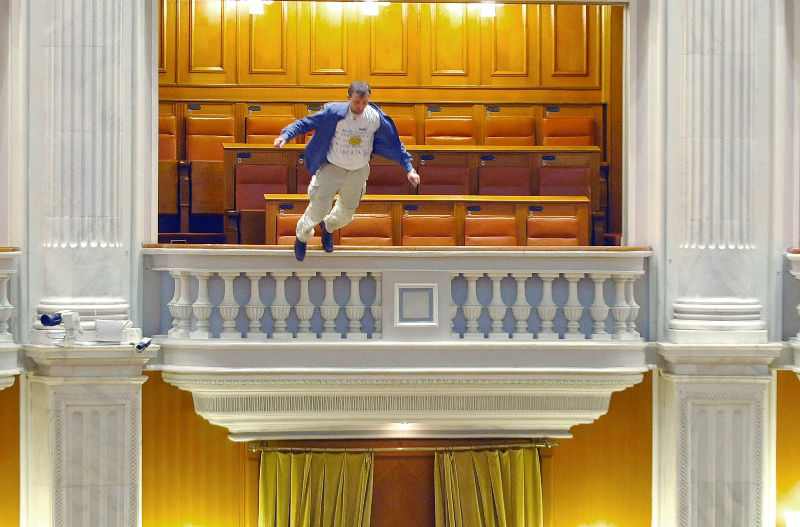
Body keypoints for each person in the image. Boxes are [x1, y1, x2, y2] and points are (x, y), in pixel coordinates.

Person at [274, 81, 420, 261]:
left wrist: (409, 169)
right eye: (357, 102)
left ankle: (327, 228)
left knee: (346, 215)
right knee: (318, 210)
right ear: (349, 98)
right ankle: (302, 237)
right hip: (332, 168)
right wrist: (285, 136)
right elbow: (305, 124)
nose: (360, 107)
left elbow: (395, 145)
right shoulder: (334, 113)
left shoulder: (375, 118)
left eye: (365, 103)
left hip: (358, 172)